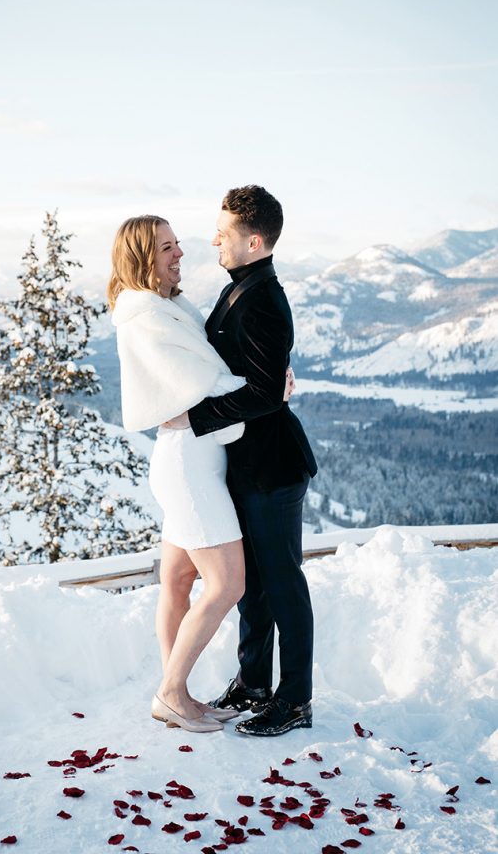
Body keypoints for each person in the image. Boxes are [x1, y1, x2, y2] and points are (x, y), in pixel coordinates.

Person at [108, 215, 294, 734]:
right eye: (166, 247)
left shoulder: (165, 308)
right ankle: (170, 694)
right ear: (144, 256)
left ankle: (176, 693)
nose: (179, 253)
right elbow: (203, 384)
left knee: (179, 578)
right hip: (190, 466)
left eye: (176, 243)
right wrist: (266, 386)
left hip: (187, 456)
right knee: (228, 582)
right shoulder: (148, 318)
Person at [163, 185, 318, 737]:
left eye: (223, 233)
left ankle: (294, 700)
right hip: (244, 464)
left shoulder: (264, 298)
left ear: (254, 241)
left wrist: (193, 417)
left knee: (282, 584)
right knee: (251, 585)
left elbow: (264, 393)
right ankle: (254, 682)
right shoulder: (240, 289)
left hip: (273, 470)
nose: (213, 241)